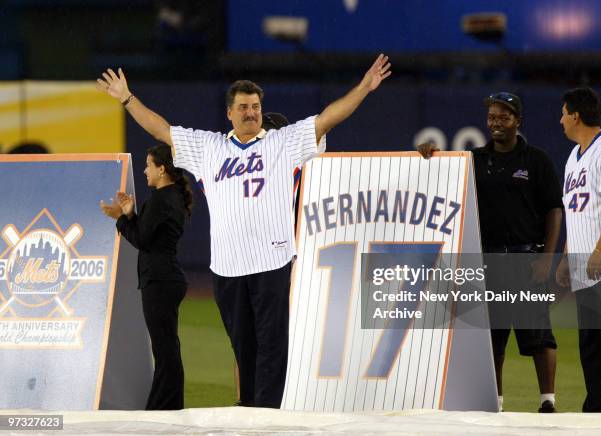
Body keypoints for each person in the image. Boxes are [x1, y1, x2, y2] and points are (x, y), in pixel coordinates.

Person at [96, 54, 391, 408]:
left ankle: (268, 418)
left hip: (272, 261)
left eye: (255, 106)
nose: (251, 112)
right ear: (229, 113)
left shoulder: (283, 142)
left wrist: (364, 87)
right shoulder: (210, 148)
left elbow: (329, 117)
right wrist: (128, 99)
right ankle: (249, 412)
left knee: (272, 348)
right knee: (243, 348)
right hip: (227, 268)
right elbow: (161, 129)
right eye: (243, 107)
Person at [418, 92, 563, 413]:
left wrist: (547, 258)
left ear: (518, 121)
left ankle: (547, 401)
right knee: (492, 338)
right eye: (492, 117)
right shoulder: (476, 159)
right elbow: (446, 174)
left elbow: (554, 210)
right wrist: (430, 155)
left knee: (538, 335)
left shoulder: (536, 160)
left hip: (527, 259)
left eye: (504, 117)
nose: (496, 123)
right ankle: (495, 402)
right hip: (487, 260)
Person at [100, 144, 193, 410]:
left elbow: (141, 239)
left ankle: (163, 408)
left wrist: (121, 218)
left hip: (160, 280)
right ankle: (169, 406)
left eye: (148, 165)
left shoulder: (161, 199)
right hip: (166, 278)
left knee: (165, 350)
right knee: (167, 348)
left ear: (161, 169)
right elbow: (149, 234)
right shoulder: (171, 196)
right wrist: (130, 214)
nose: (144, 171)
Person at [555, 87, 601, 412]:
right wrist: (565, 257)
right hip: (583, 269)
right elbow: (575, 212)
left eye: (563, 113)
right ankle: (596, 412)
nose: (560, 119)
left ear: (576, 115)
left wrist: (600, 249)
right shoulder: (573, 157)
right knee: (589, 347)